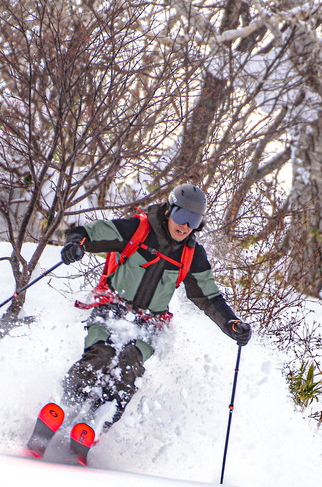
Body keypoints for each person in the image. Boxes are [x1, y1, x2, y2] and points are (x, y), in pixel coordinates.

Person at [25, 183, 252, 464]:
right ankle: (60, 408)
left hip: (149, 324)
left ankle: (95, 424)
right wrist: (76, 244)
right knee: (100, 354)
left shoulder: (193, 255)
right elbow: (91, 233)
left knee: (129, 367)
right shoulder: (138, 229)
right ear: (170, 210)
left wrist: (231, 323)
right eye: (181, 217)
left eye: (193, 222)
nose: (184, 226)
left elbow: (209, 298)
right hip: (110, 308)